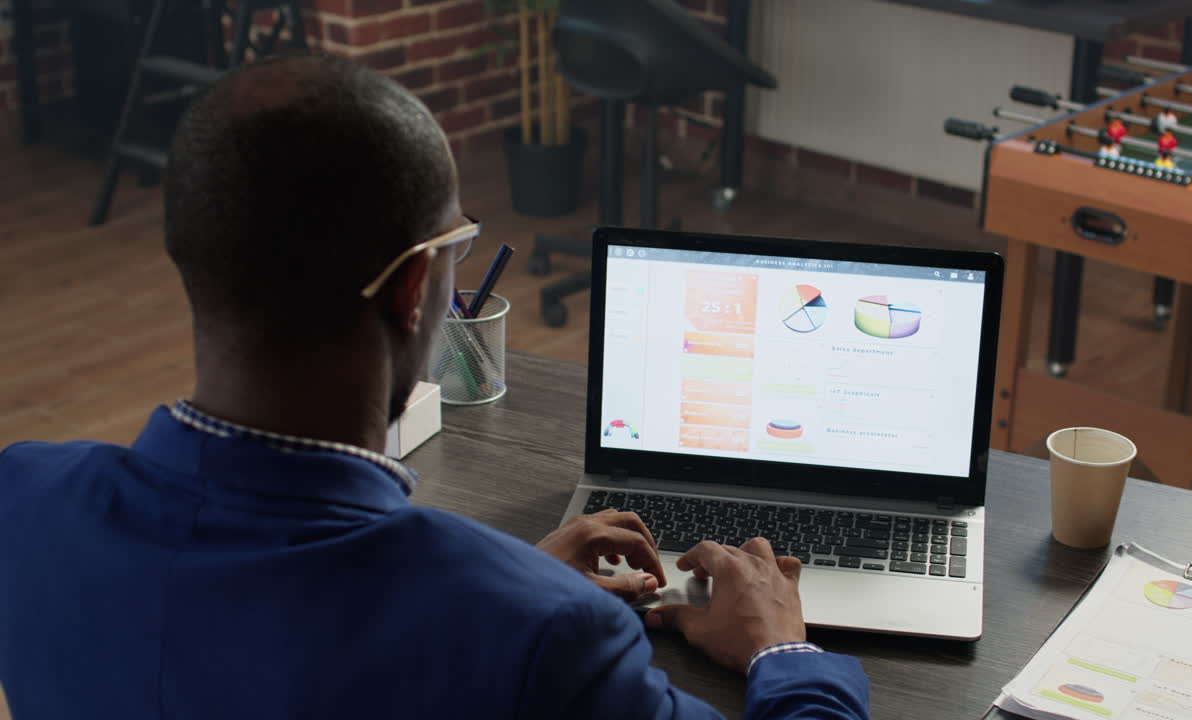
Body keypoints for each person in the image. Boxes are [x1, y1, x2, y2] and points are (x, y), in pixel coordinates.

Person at [0, 55, 870, 719]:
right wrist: (780, 655)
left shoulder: (21, 498)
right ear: (420, 289)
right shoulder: (549, 639)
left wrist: (501, 582)